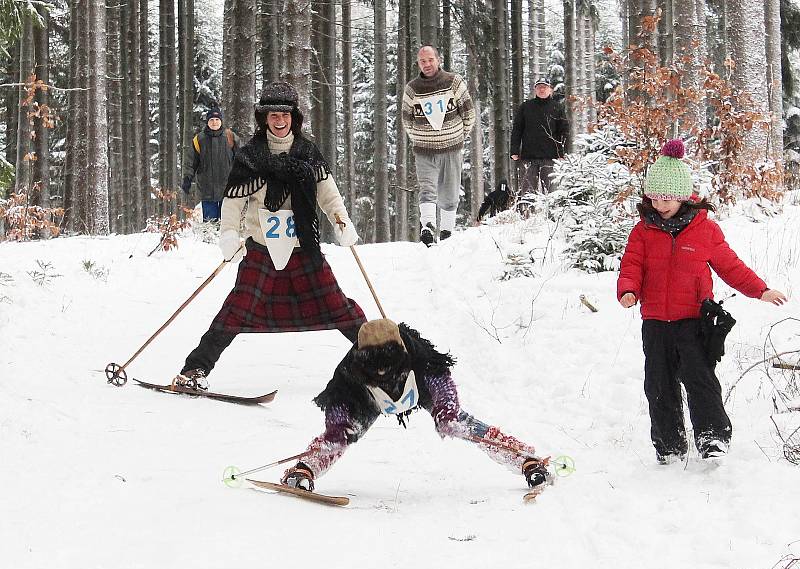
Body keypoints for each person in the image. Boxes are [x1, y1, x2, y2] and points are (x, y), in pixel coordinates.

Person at [173, 81, 366, 390]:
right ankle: (194, 370)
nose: (279, 120)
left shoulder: (308, 153)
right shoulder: (249, 156)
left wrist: (342, 223)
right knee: (236, 309)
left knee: (337, 305)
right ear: (263, 118)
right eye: (273, 114)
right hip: (261, 250)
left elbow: (329, 196)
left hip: (304, 250)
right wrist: (228, 235)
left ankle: (382, 359)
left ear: (294, 118)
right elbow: (234, 201)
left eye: (285, 115)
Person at [617, 139, 787, 464]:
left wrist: (760, 290)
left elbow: (729, 265)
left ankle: (713, 441)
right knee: (659, 385)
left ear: (683, 196)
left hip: (693, 321)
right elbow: (632, 264)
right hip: (655, 322)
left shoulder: (704, 230)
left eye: (667, 197)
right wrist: (628, 290)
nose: (660, 203)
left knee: (700, 381)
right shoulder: (643, 230)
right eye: (654, 197)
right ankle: (669, 446)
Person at [279, 318, 553, 494]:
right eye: (375, 363)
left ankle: (525, 459)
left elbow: (440, 378)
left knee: (461, 423)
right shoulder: (349, 370)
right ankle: (304, 469)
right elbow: (337, 400)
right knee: (340, 438)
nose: (384, 369)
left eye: (388, 360)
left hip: (415, 388)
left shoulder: (419, 356)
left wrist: (446, 410)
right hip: (369, 396)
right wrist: (338, 428)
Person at [402, 46, 476, 246]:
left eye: (430, 60)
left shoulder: (454, 82)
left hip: (451, 148)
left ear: (438, 59)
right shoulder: (412, 88)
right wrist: (418, 137)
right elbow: (406, 119)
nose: (426, 64)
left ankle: (446, 232)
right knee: (427, 189)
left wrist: (460, 135)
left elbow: (469, 112)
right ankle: (428, 226)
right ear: (418, 64)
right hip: (424, 150)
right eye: (422, 61)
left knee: (450, 192)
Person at [510, 78, 569, 196]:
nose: (542, 89)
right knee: (527, 194)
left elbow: (564, 131)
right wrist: (514, 150)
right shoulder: (525, 107)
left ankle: (551, 215)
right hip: (528, 157)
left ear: (550, 90)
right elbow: (517, 129)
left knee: (552, 194)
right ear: (535, 90)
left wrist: (563, 152)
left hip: (551, 158)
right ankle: (526, 214)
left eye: (544, 87)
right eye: (539, 87)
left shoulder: (557, 107)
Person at [181, 106, 241, 222]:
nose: (214, 122)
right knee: (210, 225)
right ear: (207, 122)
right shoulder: (199, 139)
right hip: (207, 190)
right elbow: (190, 162)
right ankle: (209, 240)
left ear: (221, 121)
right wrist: (187, 178)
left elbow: (241, 158)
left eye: (217, 120)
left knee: (227, 224)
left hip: (228, 189)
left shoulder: (230, 136)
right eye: (211, 120)